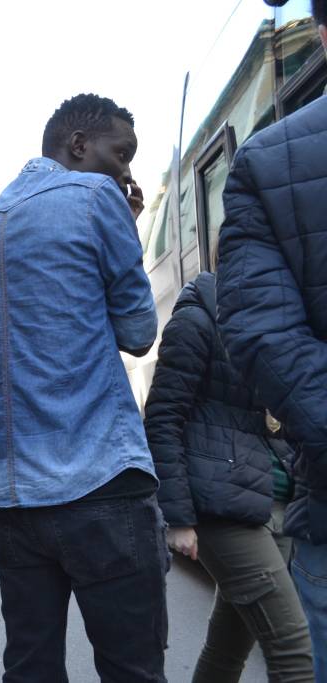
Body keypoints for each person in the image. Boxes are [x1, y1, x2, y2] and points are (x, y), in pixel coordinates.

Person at [0, 93, 168, 682]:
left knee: (30, 669)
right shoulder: (97, 198)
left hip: (15, 499)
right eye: (120, 152)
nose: (126, 170)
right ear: (78, 145)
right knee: (132, 669)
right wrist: (124, 232)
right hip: (100, 482)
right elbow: (137, 332)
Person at [217, 1, 327, 674]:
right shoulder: (202, 317)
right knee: (275, 639)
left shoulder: (265, 167)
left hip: (268, 495)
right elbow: (169, 414)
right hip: (248, 499)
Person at [146, 271, 313, 681]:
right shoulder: (196, 320)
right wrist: (180, 518)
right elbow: (162, 419)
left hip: (269, 501)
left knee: (228, 648)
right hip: (219, 505)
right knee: (294, 649)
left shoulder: (269, 325)